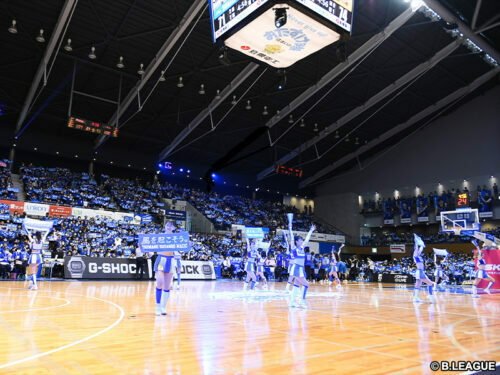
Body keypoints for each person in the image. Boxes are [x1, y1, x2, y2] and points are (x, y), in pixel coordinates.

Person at [288, 216, 316, 308]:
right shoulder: (294, 248)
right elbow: (291, 238)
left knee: (296, 285)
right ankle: (302, 301)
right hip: (296, 268)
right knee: (306, 284)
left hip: (301, 269)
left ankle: (292, 302)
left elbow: (307, 239)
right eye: (300, 240)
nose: (302, 241)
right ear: (296, 242)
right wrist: (290, 228)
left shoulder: (302, 248)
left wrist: (311, 231)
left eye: (301, 240)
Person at [154, 222, 176, 315]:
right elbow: (151, 245)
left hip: (171, 261)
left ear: (174, 227)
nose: (168, 226)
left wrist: (189, 244)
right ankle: (157, 306)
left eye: (171, 225)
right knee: (160, 282)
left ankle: (163, 307)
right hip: (161, 259)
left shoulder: (177, 237)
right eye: (167, 224)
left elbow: (183, 248)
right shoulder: (160, 236)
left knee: (167, 286)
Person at [412, 234, 434, 303]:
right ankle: (430, 296)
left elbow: (421, 247)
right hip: (420, 272)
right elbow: (416, 249)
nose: (418, 250)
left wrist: (421, 244)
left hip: (420, 272)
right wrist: (416, 242)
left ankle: (415, 298)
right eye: (417, 250)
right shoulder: (415, 256)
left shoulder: (419, 256)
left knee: (417, 285)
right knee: (430, 283)